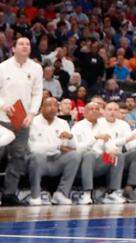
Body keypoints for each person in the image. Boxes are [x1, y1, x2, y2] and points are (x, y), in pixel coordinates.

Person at [0, 36, 42, 205]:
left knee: (18, 157)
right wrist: (3, 105)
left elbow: (37, 92)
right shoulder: (3, 67)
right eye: (21, 44)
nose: (25, 46)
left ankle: (9, 194)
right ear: (13, 48)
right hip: (2, 119)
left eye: (27, 44)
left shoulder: (36, 68)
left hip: (23, 120)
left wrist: (32, 114)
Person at [27, 97, 81, 206]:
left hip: (56, 160)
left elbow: (72, 147)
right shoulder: (32, 122)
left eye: (55, 105)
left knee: (75, 155)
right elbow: (33, 148)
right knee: (37, 155)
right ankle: (35, 195)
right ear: (41, 107)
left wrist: (70, 138)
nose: (52, 108)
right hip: (38, 161)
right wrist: (57, 146)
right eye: (48, 105)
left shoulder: (63, 123)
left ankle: (61, 194)